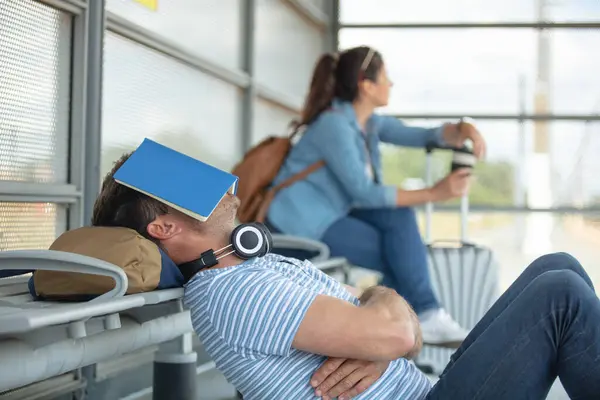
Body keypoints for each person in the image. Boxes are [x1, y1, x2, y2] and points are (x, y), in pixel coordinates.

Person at [92, 153, 600, 400]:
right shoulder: (236, 292)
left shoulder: (253, 267)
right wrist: (385, 334)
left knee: (556, 267)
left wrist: (383, 333)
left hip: (428, 389)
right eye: (186, 186)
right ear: (164, 226)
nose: (221, 183)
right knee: (561, 294)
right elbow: (402, 332)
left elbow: (402, 331)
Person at [264, 46, 487, 346]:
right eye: (385, 77)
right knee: (401, 257)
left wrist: (464, 128)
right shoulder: (334, 125)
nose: (391, 83)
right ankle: (408, 319)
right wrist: (435, 193)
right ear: (366, 86)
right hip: (298, 224)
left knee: (401, 226)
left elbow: (422, 136)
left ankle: (407, 321)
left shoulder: (368, 123)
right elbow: (364, 192)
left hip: (335, 211)